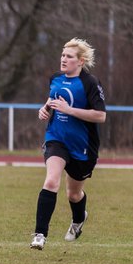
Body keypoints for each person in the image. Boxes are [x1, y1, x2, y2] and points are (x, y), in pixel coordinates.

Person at [30, 37, 107, 250]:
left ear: (80, 61)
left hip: (83, 146)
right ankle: (39, 235)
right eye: (63, 55)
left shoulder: (90, 83)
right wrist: (45, 109)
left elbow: (100, 116)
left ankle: (78, 219)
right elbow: (52, 100)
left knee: (73, 194)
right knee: (51, 181)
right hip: (57, 139)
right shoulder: (55, 79)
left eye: (69, 56)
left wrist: (70, 110)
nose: (63, 59)